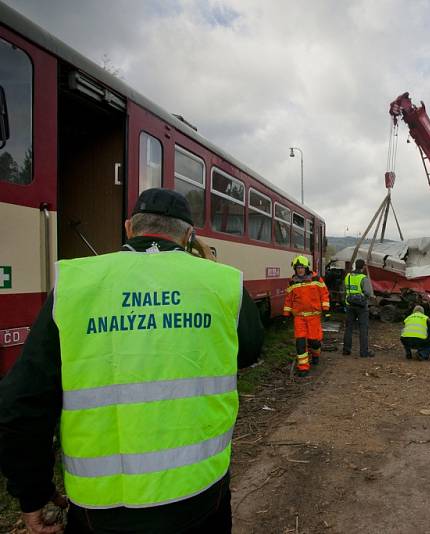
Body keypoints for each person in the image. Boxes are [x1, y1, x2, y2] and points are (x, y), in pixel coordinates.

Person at [0, 188, 264, 534]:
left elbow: (20, 404)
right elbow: (248, 350)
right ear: (188, 235)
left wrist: (33, 493)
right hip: (199, 496)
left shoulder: (74, 285)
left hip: (101, 510)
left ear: (129, 228)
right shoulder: (221, 281)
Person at [283, 255, 330, 377]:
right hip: (299, 318)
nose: (300, 270)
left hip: (314, 317)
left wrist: (326, 309)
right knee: (300, 343)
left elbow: (324, 294)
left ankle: (315, 354)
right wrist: (286, 313)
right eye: (297, 267)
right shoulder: (292, 282)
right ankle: (303, 367)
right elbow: (289, 299)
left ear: (306, 268)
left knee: (314, 342)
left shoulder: (316, 279)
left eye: (302, 267)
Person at [342, 259, 374, 358]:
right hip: (361, 306)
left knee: (348, 328)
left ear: (355, 266)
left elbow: (345, 289)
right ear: (363, 267)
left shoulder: (348, 276)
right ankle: (363, 352)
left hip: (349, 305)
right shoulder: (363, 278)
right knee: (363, 329)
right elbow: (368, 292)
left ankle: (346, 350)